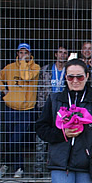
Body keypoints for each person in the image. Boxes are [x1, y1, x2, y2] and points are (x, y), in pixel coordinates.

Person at [0, 43, 41, 178]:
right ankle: (9, 164)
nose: (23, 55)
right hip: (10, 108)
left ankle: (18, 166)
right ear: (17, 54)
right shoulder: (9, 68)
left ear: (30, 54)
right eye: (21, 53)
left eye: (26, 53)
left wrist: (24, 63)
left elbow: (25, 76)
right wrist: (3, 90)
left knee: (17, 139)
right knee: (9, 138)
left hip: (27, 109)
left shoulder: (35, 68)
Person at [36, 45, 70, 175]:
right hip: (48, 107)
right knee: (42, 137)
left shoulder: (69, 71)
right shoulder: (46, 69)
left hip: (64, 109)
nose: (62, 55)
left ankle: (59, 166)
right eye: (60, 52)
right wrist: (40, 106)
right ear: (55, 54)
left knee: (62, 137)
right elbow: (40, 88)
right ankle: (39, 169)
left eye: (65, 53)